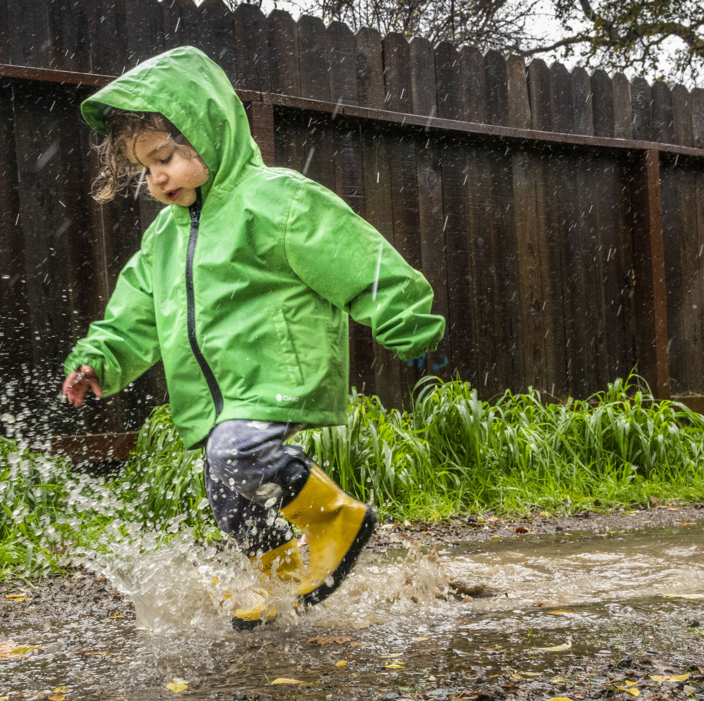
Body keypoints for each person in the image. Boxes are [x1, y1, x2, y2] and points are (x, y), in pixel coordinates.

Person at [61, 46, 445, 630]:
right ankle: (284, 580)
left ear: (208, 134)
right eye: (145, 168)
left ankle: (337, 519)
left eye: (164, 156)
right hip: (220, 396)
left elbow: (356, 258)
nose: (155, 177)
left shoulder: (274, 200)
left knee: (237, 453)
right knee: (227, 497)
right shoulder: (166, 238)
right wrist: (100, 360)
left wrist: (406, 319)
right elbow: (134, 313)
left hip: (278, 370)